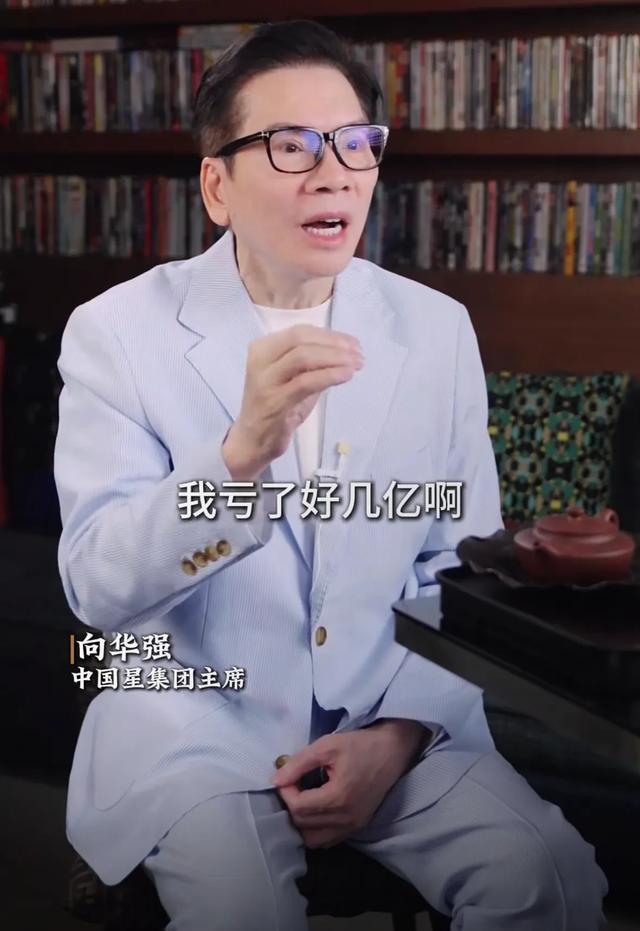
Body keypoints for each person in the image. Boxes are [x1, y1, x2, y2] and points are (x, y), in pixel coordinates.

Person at [54, 19, 608, 931]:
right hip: (194, 730)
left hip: (396, 721)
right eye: (291, 145)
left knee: (548, 879)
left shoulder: (435, 329)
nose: (334, 172)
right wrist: (239, 456)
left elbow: (459, 570)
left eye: (355, 143)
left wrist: (398, 735)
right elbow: (96, 588)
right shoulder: (117, 333)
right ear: (218, 186)